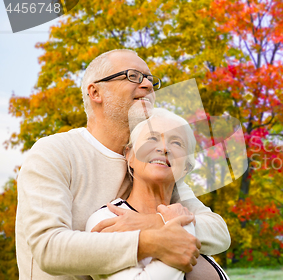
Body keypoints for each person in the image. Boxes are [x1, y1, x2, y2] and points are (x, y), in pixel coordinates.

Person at [16, 49, 231, 279]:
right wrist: (149, 241)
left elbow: (218, 232)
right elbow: (48, 248)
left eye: (150, 80)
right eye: (133, 76)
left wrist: (154, 222)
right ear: (96, 92)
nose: (148, 85)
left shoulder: (152, 164)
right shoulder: (55, 152)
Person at [85, 108, 229, 280]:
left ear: (186, 168)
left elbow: (221, 235)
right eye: (152, 138)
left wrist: (165, 222)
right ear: (129, 156)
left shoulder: (185, 213)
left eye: (177, 143)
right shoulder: (109, 218)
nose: (163, 148)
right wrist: (180, 227)